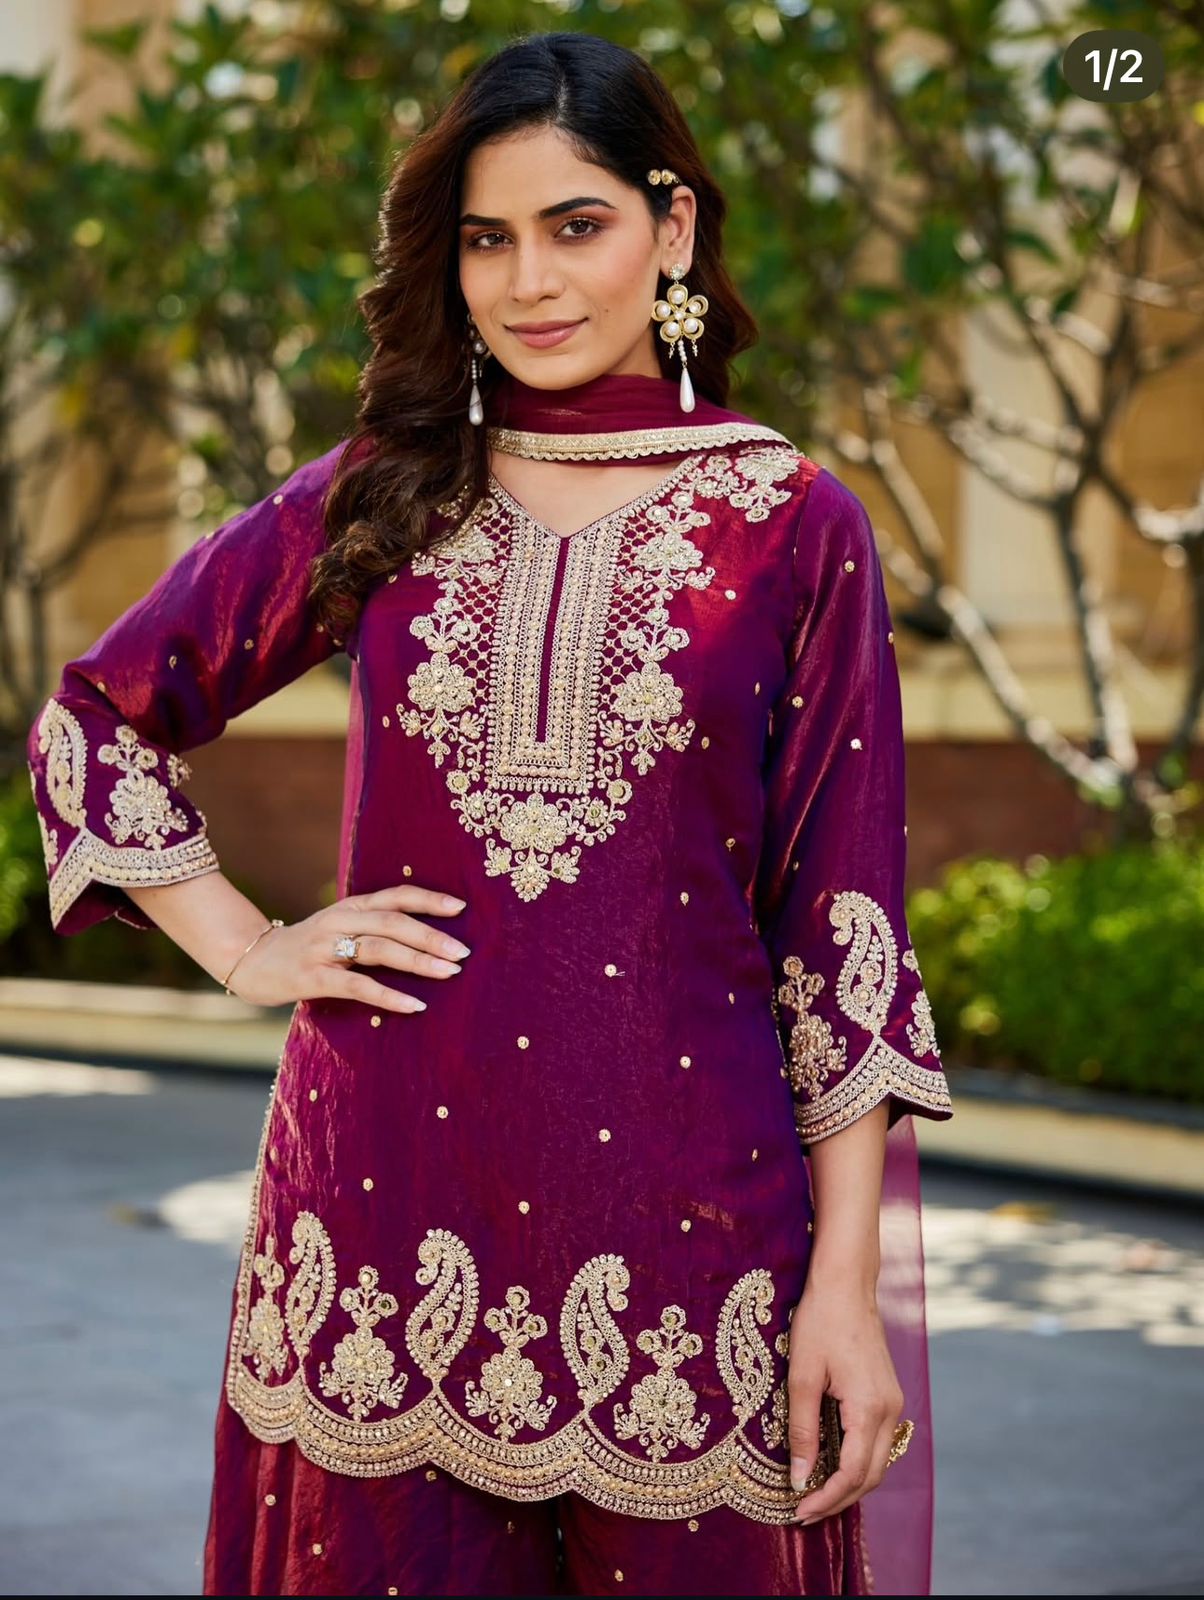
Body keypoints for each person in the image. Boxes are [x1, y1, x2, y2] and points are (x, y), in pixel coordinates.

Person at [25, 31, 952, 1599]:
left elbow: (841, 933)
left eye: (575, 226)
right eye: (486, 239)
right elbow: (98, 714)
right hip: (381, 1223)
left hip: (694, 1233)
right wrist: (245, 945)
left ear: (673, 227)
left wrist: (845, 1291)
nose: (529, 282)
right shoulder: (385, 494)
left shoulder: (794, 527)